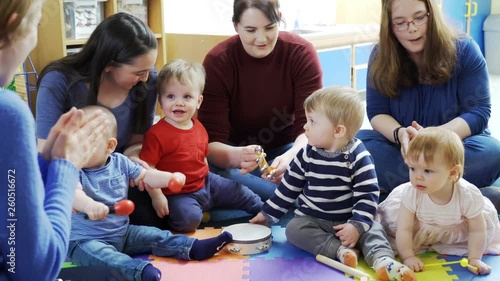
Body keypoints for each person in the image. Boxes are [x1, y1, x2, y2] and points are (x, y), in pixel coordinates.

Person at [250, 86, 416, 281]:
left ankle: (383, 261)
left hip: (350, 218)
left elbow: (368, 195)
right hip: (314, 220)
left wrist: (357, 226)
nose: (305, 127)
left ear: (338, 131)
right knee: (293, 230)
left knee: (375, 229)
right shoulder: (306, 154)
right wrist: (267, 214)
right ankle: (339, 251)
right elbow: (288, 188)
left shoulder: (358, 156)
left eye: (312, 121)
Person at [0, 1, 110, 280]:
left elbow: (8, 205)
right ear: (13, 27)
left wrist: (44, 162)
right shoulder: (8, 112)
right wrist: (65, 167)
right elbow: (37, 268)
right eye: (35, 25)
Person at [356, 0, 500, 206]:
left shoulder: (465, 50)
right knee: (358, 146)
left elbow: (479, 111)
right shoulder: (380, 55)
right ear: (390, 25)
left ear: (431, 14)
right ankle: (457, 197)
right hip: (404, 149)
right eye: (400, 22)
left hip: (453, 147)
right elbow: (377, 113)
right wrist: (400, 134)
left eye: (419, 18)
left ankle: (402, 198)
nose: (412, 28)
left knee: (492, 152)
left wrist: (435, 138)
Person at [69, 105, 233, 281]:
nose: (77, 150)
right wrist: (89, 205)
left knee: (157, 235)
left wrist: (168, 178)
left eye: (85, 144)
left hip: (122, 232)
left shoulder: (120, 162)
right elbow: (73, 194)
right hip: (84, 241)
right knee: (107, 259)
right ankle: (140, 271)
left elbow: (146, 176)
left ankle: (193, 247)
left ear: (109, 146)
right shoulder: (72, 168)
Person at [34, 12, 169, 225]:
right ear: (108, 64)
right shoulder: (58, 81)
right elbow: (45, 153)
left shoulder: (147, 80)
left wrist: (135, 161)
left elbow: (136, 142)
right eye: (138, 72)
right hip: (73, 175)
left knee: (154, 220)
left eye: (148, 70)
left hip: (117, 172)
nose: (146, 77)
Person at [197, 0, 323, 201]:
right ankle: (288, 199)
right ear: (235, 26)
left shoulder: (301, 53)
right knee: (202, 170)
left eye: (270, 28)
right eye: (250, 30)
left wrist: (291, 157)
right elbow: (210, 143)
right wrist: (238, 156)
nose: (261, 38)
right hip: (234, 156)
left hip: (287, 147)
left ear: (279, 18)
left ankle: (262, 199)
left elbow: (311, 126)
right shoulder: (218, 61)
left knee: (330, 159)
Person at [137, 59, 263, 231]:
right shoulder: (156, 134)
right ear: (161, 101)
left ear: (199, 101)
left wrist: (212, 183)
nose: (179, 103)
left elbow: (203, 158)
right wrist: (157, 196)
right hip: (178, 193)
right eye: (171, 96)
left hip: (206, 182)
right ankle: (198, 215)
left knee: (241, 191)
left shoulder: (199, 127)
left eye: (187, 97)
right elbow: (148, 170)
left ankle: (264, 213)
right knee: (189, 219)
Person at [377, 127, 500, 275]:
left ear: (452, 172)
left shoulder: (467, 195)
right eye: (412, 168)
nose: (417, 177)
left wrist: (474, 259)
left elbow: (477, 230)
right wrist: (408, 256)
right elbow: (404, 229)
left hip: (455, 228)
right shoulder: (411, 193)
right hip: (420, 228)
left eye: (427, 171)